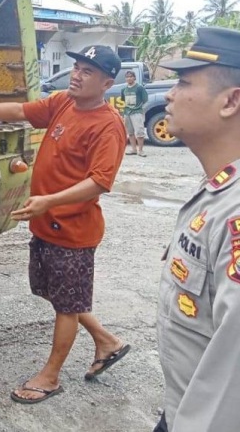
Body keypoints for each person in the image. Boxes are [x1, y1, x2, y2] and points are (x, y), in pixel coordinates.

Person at [0, 45, 130, 404]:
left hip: (73, 230)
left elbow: (99, 182)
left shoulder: (108, 126)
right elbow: (20, 110)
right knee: (61, 294)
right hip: (45, 222)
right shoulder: (62, 102)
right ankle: (107, 342)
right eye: (76, 67)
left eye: (87, 72)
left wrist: (49, 201)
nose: (76, 74)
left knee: (66, 304)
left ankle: (51, 376)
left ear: (107, 82)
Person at [153, 27, 240, 432]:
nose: (170, 94)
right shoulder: (218, 186)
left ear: (231, 101)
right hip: (181, 406)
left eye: (184, 82)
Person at [121, 70, 149, 156]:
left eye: (131, 76)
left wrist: (140, 110)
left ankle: (140, 150)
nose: (129, 78)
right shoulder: (124, 89)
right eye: (127, 77)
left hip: (137, 112)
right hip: (127, 112)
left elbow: (145, 100)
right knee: (130, 132)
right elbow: (123, 99)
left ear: (134, 78)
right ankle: (133, 149)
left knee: (139, 132)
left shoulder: (139, 88)